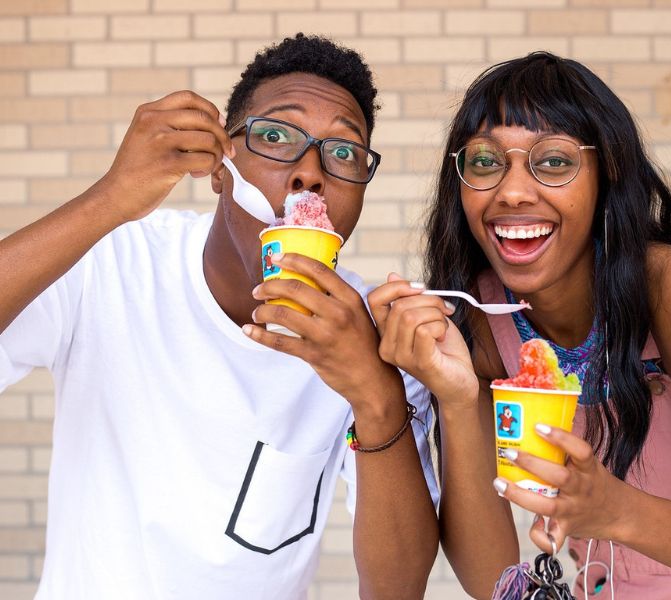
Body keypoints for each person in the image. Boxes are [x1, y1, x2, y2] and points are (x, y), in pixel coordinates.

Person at [0, 34, 439, 600]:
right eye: (276, 136)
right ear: (218, 168)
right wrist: (111, 197)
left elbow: (397, 588)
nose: (311, 172)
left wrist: (375, 394)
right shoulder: (109, 263)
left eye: (344, 151)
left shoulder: (378, 336)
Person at [367, 51, 671, 599]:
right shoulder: (479, 318)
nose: (513, 191)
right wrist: (454, 398)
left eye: (553, 162)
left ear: (608, 172)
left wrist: (615, 511)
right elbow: (490, 580)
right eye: (484, 162)